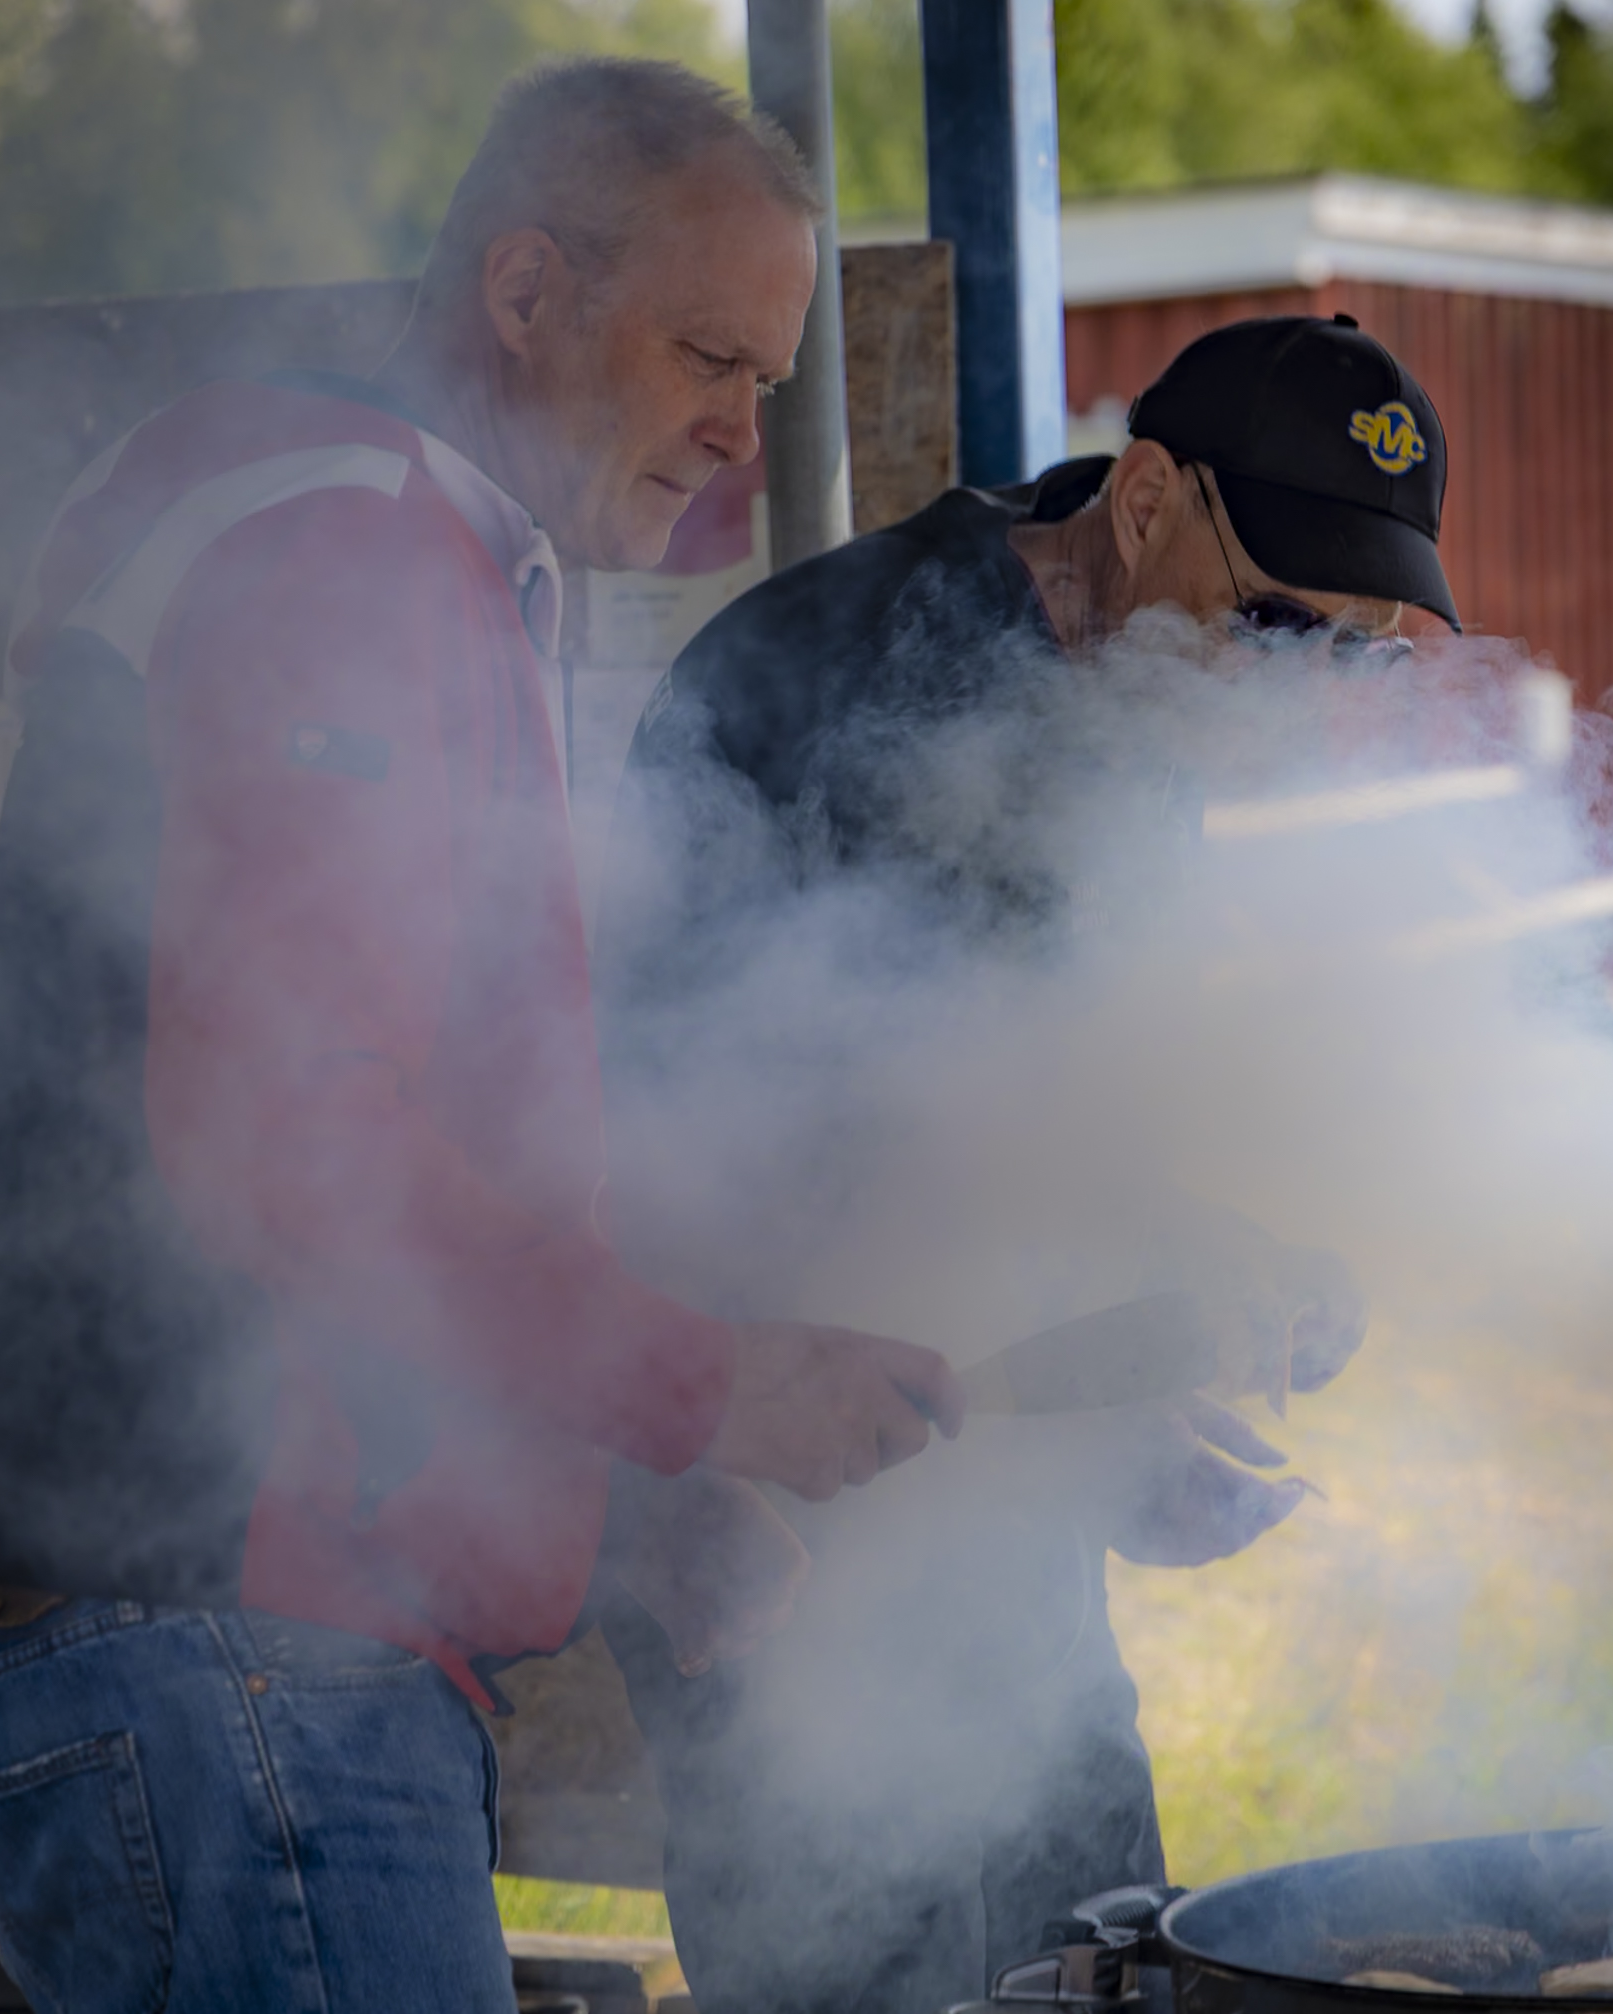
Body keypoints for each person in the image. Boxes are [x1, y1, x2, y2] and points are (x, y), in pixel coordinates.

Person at [0, 58, 964, 2014]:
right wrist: (706, 1387)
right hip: (239, 1638)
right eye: (707, 357)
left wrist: (634, 1504)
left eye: (767, 378)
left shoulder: (397, 545)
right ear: (526, 290)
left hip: (241, 1641)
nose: (741, 432)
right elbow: (294, 1145)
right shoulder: (343, 551)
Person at [593, 314, 1463, 2014]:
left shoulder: (1146, 679)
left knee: (1103, 1962)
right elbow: (669, 1143)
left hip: (997, 1519)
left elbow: (1028, 1129)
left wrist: (1140, 1361)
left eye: (1356, 659)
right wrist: (667, 1496)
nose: (1301, 690)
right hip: (788, 1532)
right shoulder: (833, 677)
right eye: (1282, 625)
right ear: (1145, 501)